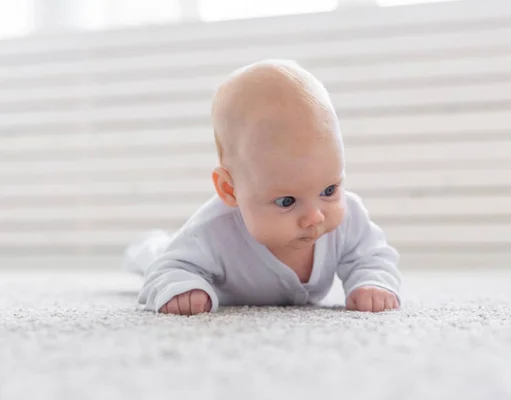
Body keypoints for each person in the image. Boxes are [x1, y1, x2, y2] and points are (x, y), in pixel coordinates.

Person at [123, 59, 402, 315]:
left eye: (329, 190)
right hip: (182, 254)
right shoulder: (211, 232)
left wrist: (373, 283)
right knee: (160, 254)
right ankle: (148, 245)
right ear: (230, 190)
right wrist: (183, 288)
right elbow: (169, 268)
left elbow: (372, 256)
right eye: (287, 201)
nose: (315, 217)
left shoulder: (349, 218)